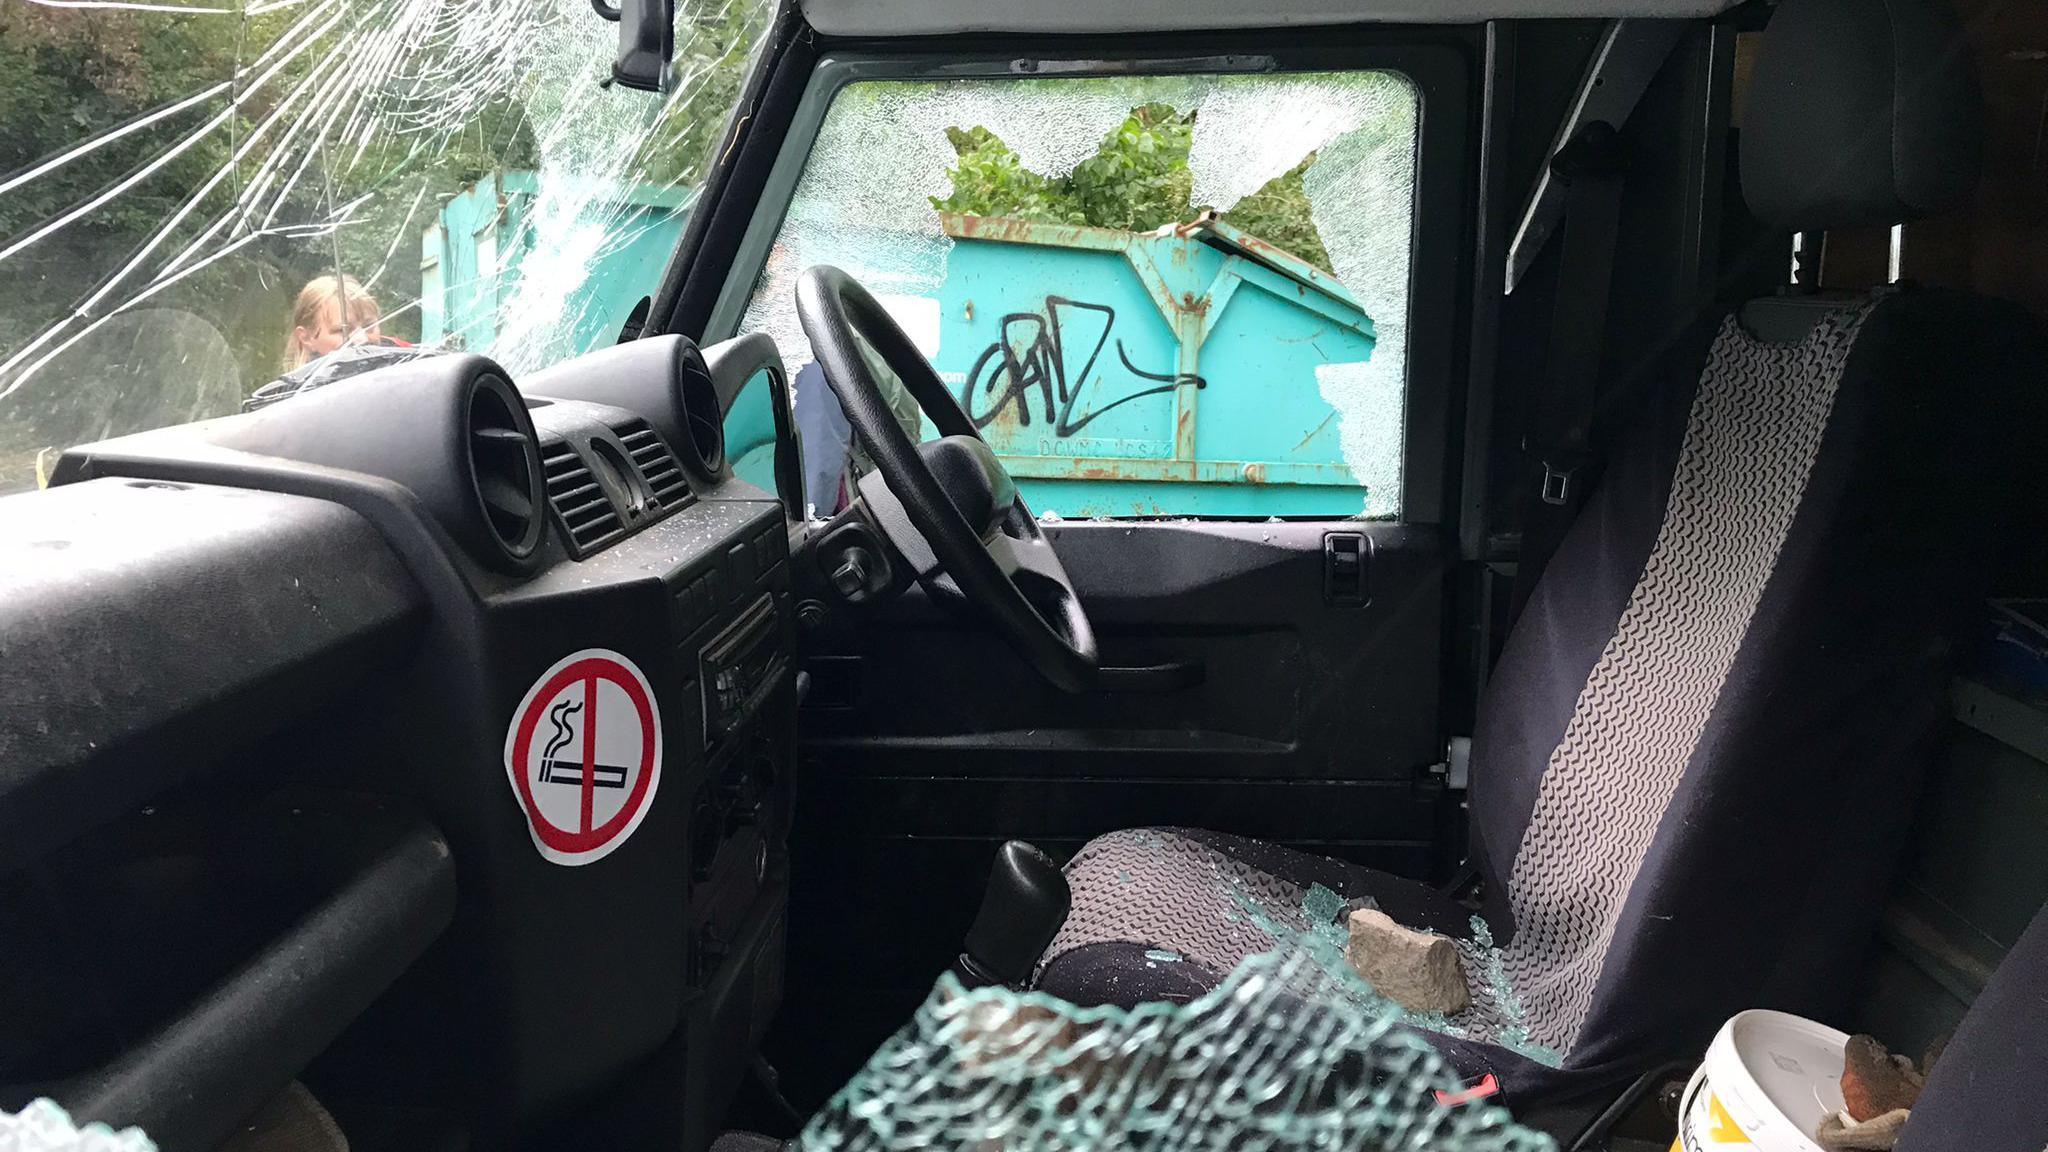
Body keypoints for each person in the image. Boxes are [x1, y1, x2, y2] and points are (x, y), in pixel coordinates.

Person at [282, 274, 383, 370]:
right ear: (307, 338)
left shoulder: (397, 361)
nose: (363, 339)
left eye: (369, 325)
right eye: (343, 330)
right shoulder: (303, 387)